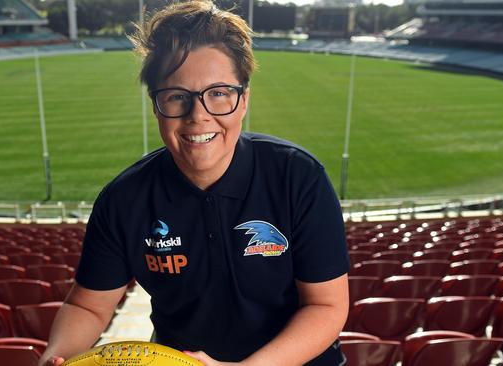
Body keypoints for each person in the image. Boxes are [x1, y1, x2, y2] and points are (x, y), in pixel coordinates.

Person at [39, 1, 350, 365]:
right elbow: (88, 306)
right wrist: (58, 355)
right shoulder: (124, 200)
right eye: (177, 97)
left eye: (218, 93)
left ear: (244, 99)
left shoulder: (298, 177)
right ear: (156, 105)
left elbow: (326, 304)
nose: (198, 116)